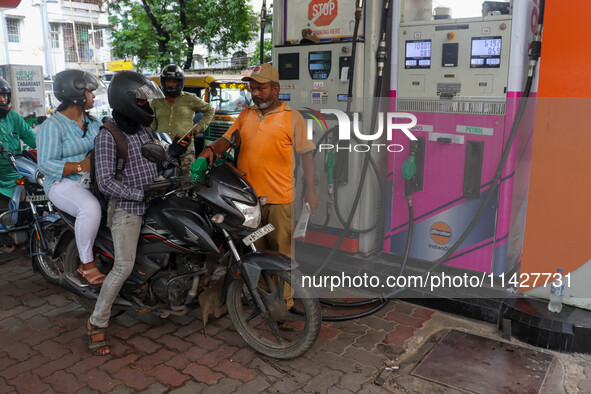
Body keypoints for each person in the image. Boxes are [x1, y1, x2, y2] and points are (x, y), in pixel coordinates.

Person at [87, 70, 188, 356]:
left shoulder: (144, 130)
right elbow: (106, 182)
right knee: (123, 266)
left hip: (155, 201)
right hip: (127, 209)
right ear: (126, 101)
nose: (147, 106)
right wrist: (139, 194)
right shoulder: (108, 136)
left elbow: (156, 161)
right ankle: (96, 323)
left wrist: (174, 154)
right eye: (142, 102)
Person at [199, 63, 319, 258]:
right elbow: (226, 140)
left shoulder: (292, 118)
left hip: (280, 202)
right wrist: (210, 148)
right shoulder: (246, 114)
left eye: (260, 89)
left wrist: (311, 191)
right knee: (256, 253)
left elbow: (307, 156)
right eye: (252, 89)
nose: (255, 94)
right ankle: (262, 289)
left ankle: (285, 290)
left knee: (281, 255)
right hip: (249, 201)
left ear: (275, 89)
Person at [36, 69, 106, 285]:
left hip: (95, 180)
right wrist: (79, 166)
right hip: (63, 183)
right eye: (89, 91)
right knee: (90, 208)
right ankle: (87, 264)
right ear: (76, 94)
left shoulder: (94, 122)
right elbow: (45, 163)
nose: (93, 96)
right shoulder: (52, 126)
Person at [150, 64, 214, 174]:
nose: (171, 84)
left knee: (188, 185)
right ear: (163, 81)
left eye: (174, 81)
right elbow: (152, 126)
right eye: (168, 81)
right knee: (163, 187)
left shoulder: (191, 98)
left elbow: (210, 110)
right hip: (163, 154)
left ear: (180, 82)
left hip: (186, 153)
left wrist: (198, 128)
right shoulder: (156, 101)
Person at [0, 77, 36, 207]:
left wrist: (46, 148)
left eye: (5, 95)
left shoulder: (13, 116)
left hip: (17, 172)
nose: (3, 99)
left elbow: (30, 136)